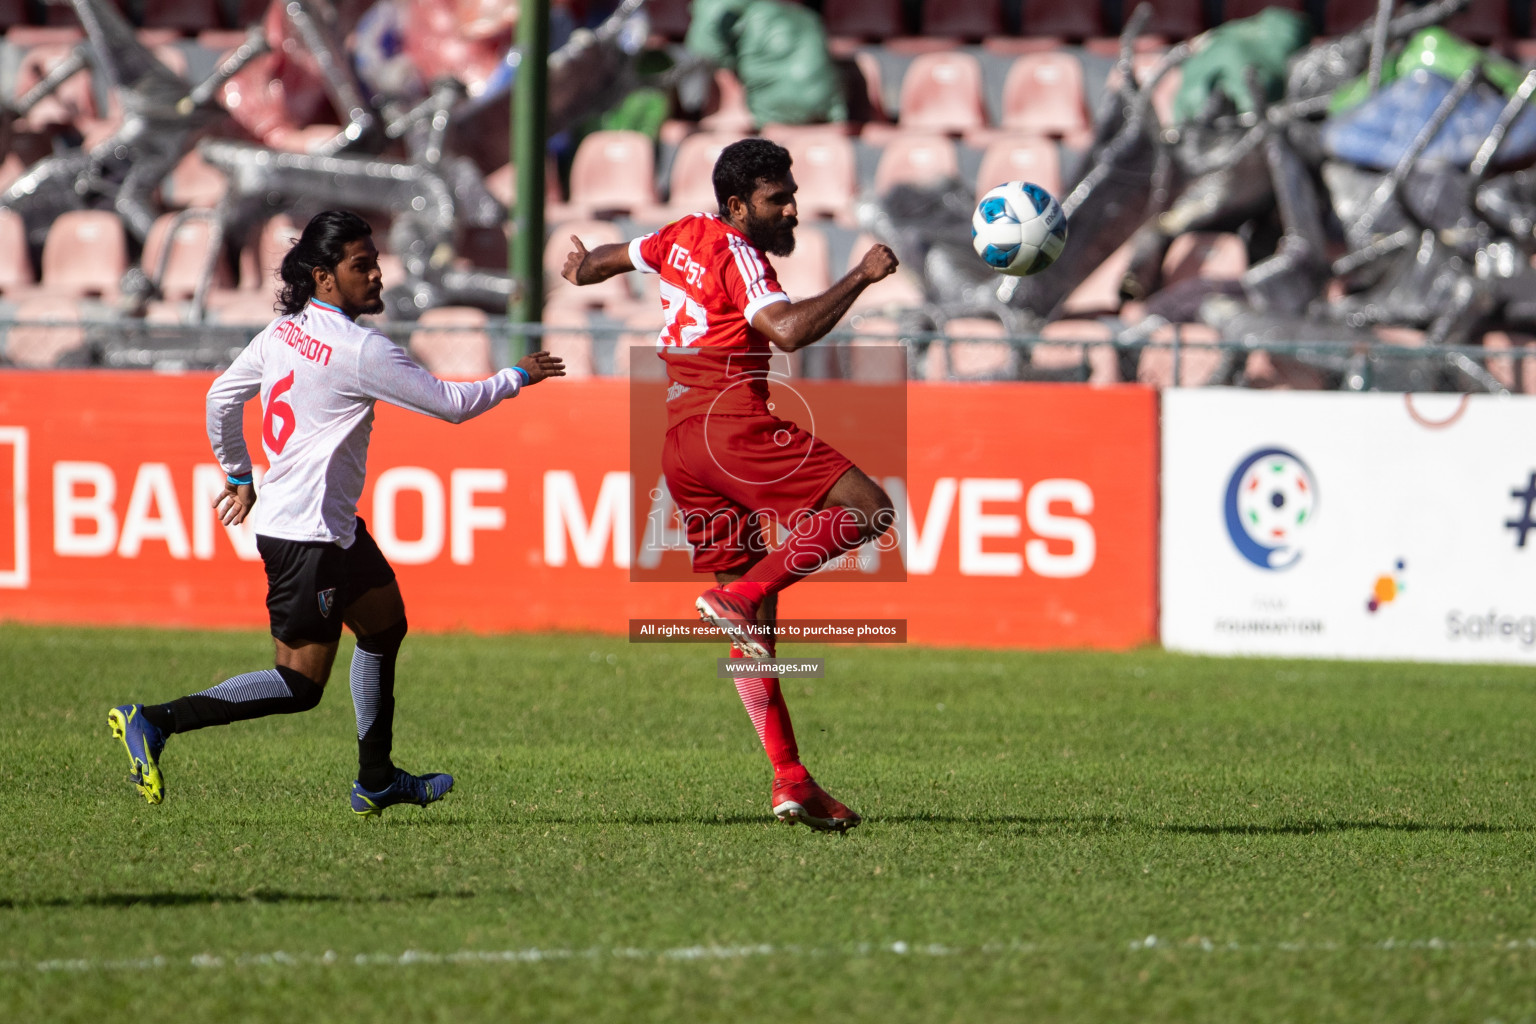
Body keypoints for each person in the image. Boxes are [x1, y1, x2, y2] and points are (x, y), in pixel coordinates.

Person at [108, 210, 564, 817]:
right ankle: (156, 720)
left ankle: (376, 779)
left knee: (384, 626)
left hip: (330, 529)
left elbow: (221, 397)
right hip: (307, 539)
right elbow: (452, 405)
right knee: (298, 685)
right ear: (324, 277)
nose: (376, 276)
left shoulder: (283, 331)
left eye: (375, 262)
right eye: (361, 266)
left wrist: (240, 473)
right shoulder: (359, 349)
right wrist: (516, 376)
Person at [561, 138, 898, 832]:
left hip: (681, 445)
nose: (795, 209)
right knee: (870, 509)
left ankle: (791, 779)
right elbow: (790, 332)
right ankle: (742, 594)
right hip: (732, 423)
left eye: (794, 194)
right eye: (780, 199)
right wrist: (863, 275)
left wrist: (577, 269)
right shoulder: (742, 256)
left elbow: (602, 262)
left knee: (756, 641)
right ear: (740, 206)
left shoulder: (680, 234)